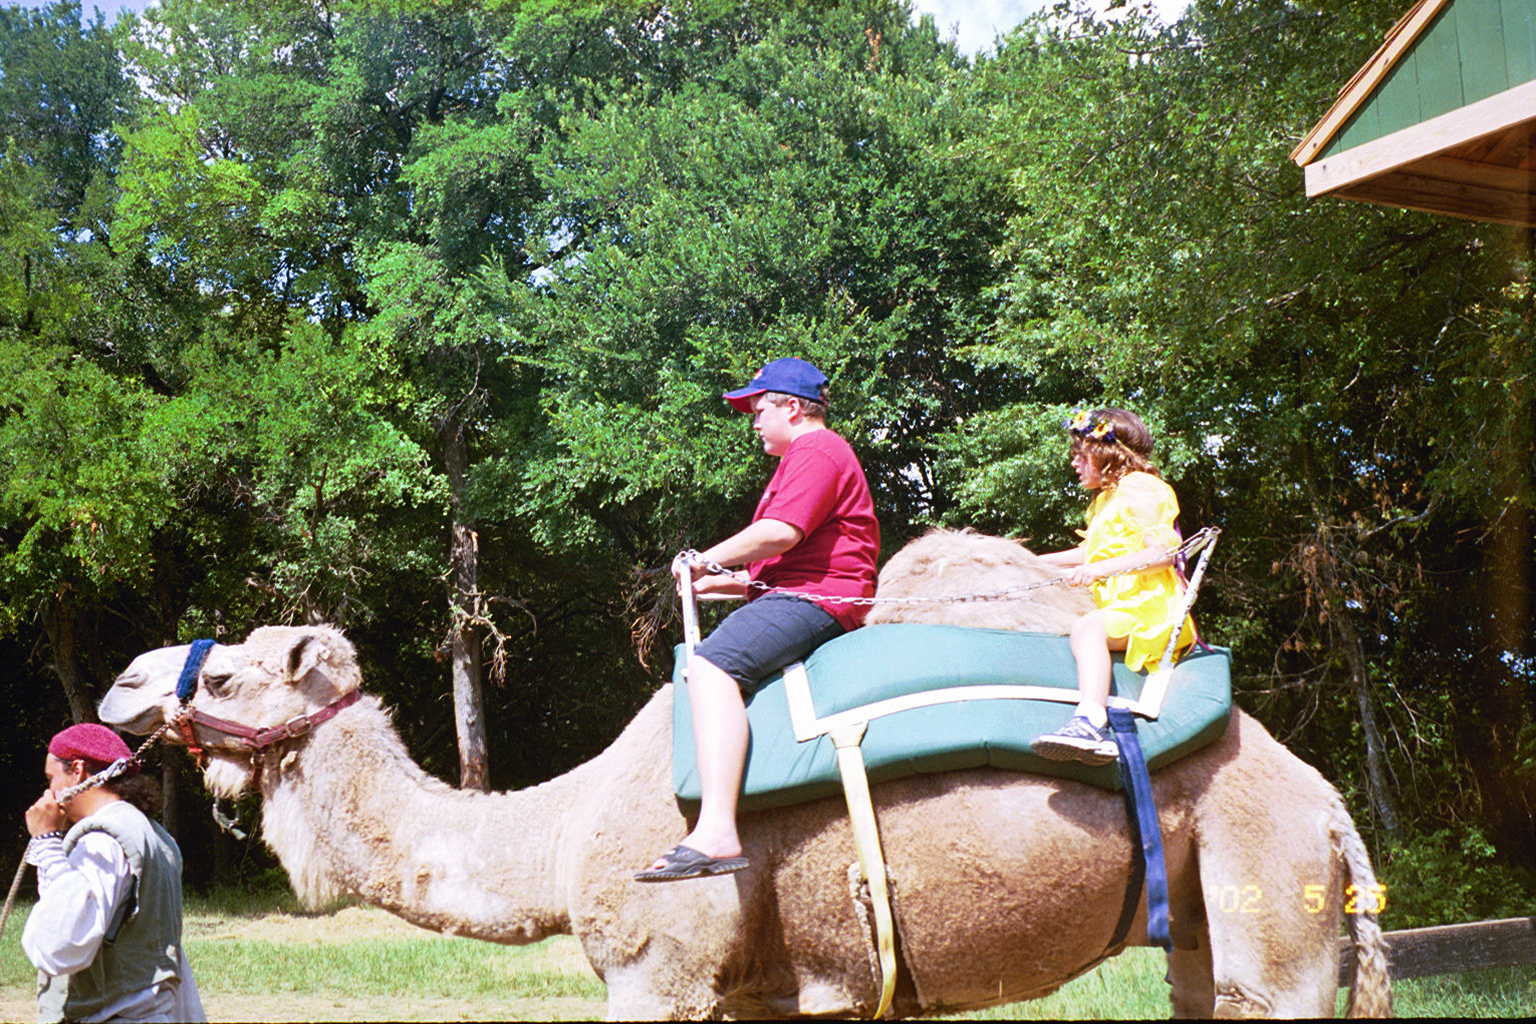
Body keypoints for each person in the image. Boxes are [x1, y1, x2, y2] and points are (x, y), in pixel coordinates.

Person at [636, 357, 880, 882]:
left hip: (818, 602)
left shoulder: (816, 448)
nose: (752, 420)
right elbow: (784, 565)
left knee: (711, 668)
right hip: (808, 593)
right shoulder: (808, 456)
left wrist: (706, 556)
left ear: (792, 407)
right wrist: (711, 584)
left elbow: (781, 534)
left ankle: (718, 832)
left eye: (758, 408)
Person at [1034, 408, 1196, 765]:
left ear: (1107, 453)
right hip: (1121, 607)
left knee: (1087, 626)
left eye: (1081, 453)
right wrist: (1028, 562)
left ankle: (1091, 721)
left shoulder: (1141, 487)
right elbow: (1088, 552)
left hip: (1150, 607)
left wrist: (1097, 571)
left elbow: (1165, 553)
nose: (1075, 462)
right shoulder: (1104, 501)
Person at [22, 723, 205, 1023]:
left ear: (78, 770)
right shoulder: (155, 835)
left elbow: (61, 943)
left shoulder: (103, 840)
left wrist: (46, 842)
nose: (48, 791)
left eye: (51, 777)